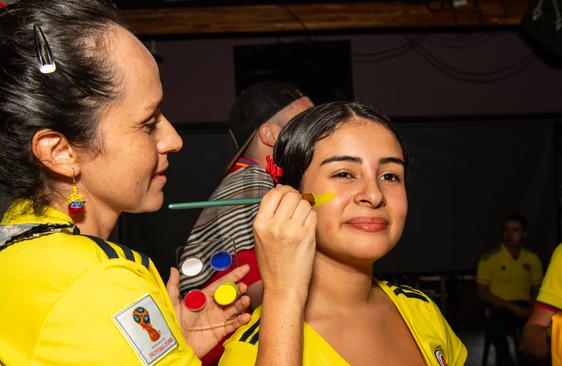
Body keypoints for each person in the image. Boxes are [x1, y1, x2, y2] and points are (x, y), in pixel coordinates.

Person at [0, 1, 315, 365]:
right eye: (148, 123)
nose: (173, 139)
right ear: (60, 151)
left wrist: (178, 345)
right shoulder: (91, 283)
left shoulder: (23, 253)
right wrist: (284, 292)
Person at [220, 101, 468, 365]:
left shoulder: (422, 310)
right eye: (344, 173)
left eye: (390, 176)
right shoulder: (254, 352)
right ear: (291, 195)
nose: (374, 195)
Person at [181, 81, 313, 309]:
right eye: (305, 121)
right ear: (270, 135)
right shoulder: (253, 184)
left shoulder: (257, 181)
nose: (319, 129)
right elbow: (255, 289)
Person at [476, 215, 543, 365]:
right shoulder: (490, 258)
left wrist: (532, 308)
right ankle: (506, 357)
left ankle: (528, 357)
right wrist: (513, 307)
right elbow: (481, 293)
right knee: (495, 322)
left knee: (540, 325)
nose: (509, 235)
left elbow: (537, 289)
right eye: (506, 230)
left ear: (524, 233)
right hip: (500, 306)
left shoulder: (532, 259)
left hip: (526, 306)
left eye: (515, 230)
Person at [521, 242, 562, 360]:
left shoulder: (532, 258)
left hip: (525, 304)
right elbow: (530, 335)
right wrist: (554, 335)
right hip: (516, 305)